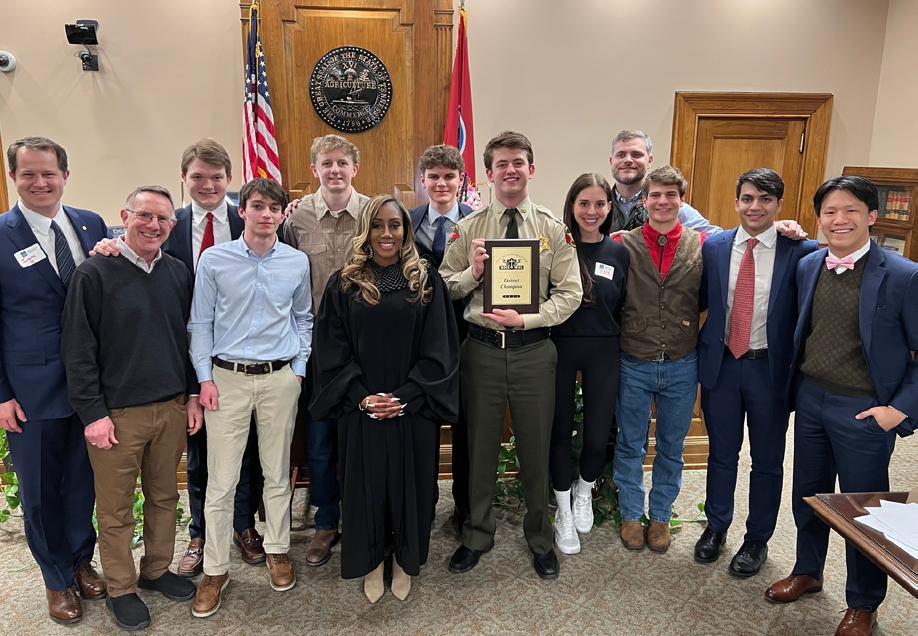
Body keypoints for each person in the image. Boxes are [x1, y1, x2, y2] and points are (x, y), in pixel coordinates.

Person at [90, 139, 265, 575]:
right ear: (184, 180)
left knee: (245, 451)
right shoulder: (168, 223)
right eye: (198, 177)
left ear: (230, 181)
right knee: (200, 454)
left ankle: (243, 526)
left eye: (217, 177)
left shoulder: (245, 219)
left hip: (240, 355)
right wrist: (107, 244)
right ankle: (200, 535)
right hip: (186, 357)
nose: (208, 185)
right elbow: (132, 254)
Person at [766, 176, 917, 636]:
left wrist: (899, 410)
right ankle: (808, 571)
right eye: (830, 211)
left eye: (851, 210)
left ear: (872, 216)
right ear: (819, 219)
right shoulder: (809, 264)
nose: (840, 220)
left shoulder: (904, 276)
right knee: (809, 494)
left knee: (863, 509)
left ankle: (864, 602)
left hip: (865, 410)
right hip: (811, 399)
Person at [440, 131, 582, 580]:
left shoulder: (552, 229)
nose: (510, 170)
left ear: (531, 169)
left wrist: (529, 319)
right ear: (488, 173)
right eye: (501, 164)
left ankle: (540, 537)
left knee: (536, 449)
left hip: (533, 352)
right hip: (481, 352)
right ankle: (476, 534)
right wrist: (473, 272)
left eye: (518, 162)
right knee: (479, 450)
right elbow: (444, 286)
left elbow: (571, 293)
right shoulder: (469, 228)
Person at [62, 185, 201, 631]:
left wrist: (192, 395)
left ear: (172, 226)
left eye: (162, 219)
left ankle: (156, 570)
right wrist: (93, 414)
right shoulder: (94, 273)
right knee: (116, 509)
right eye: (144, 215)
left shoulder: (177, 272)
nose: (153, 225)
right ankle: (121, 588)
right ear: (125, 217)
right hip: (116, 415)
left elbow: (188, 339)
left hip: (170, 407)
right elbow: (78, 349)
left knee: (165, 497)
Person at [311, 194, 459, 603]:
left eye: (395, 224)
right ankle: (373, 561)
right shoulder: (345, 282)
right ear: (366, 230)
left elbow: (440, 348)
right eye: (377, 225)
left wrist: (406, 396)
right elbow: (331, 349)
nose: (386, 233)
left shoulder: (425, 280)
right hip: (361, 406)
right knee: (367, 486)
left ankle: (405, 561)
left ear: (406, 230)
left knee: (412, 485)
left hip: (413, 405)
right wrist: (362, 397)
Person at [189, 178, 312, 617]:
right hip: (227, 379)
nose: (266, 214)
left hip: (280, 378)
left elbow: (303, 317)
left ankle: (278, 550)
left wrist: (299, 369)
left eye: (274, 208)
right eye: (257, 206)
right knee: (221, 480)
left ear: (282, 214)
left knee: (276, 472)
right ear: (242, 211)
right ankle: (215, 570)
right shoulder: (215, 259)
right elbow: (200, 323)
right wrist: (204, 378)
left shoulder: (296, 262)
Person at [0, 136, 108, 624]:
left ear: (65, 175)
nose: (40, 182)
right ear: (13, 178)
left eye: (49, 173)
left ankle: (82, 560)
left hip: (89, 386)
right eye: (29, 174)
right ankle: (57, 577)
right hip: (30, 391)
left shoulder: (90, 224)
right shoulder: (1, 235)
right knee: (41, 492)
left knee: (83, 483)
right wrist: (1, 394)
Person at [695, 169, 818, 576]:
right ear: (736, 202)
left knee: (767, 459)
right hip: (723, 367)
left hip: (769, 370)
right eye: (748, 198)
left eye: (765, 199)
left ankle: (757, 539)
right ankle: (716, 526)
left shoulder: (801, 251)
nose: (755, 207)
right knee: (722, 454)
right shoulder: (715, 247)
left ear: (779, 205)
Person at [283, 134, 368, 567]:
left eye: (342, 163)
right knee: (319, 437)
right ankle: (326, 521)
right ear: (314, 169)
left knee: (360, 433)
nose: (335, 170)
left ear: (355, 168)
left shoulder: (373, 213)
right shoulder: (296, 219)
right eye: (326, 163)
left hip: (364, 342)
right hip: (315, 343)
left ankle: (361, 515)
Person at [613, 165, 703, 554]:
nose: (663, 202)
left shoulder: (702, 245)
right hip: (635, 359)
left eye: (671, 195)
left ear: (682, 200)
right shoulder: (623, 244)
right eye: (655, 195)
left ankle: (661, 515)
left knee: (672, 446)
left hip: (682, 362)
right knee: (631, 443)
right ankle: (632, 515)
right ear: (644, 200)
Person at [549, 173, 629, 555]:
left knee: (598, 435)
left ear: (609, 207)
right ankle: (563, 511)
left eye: (599, 204)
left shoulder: (619, 253)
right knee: (559, 432)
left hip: (603, 348)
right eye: (584, 203)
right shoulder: (557, 247)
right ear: (572, 206)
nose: (592, 211)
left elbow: (625, 303)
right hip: (561, 346)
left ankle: (584, 492)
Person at [408, 144, 474, 533]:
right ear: (423, 181)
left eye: (449, 176)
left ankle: (465, 508)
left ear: (461, 180)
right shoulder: (406, 222)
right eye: (433, 177)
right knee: (423, 426)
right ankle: (424, 505)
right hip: (420, 341)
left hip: (466, 336)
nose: (441, 183)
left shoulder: (477, 222)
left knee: (467, 426)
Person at [607, 129, 808, 240]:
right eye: (621, 155)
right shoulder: (599, 205)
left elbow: (719, 238)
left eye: (636, 154)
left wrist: (768, 227)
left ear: (649, 160)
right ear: (611, 160)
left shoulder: (671, 206)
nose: (628, 160)